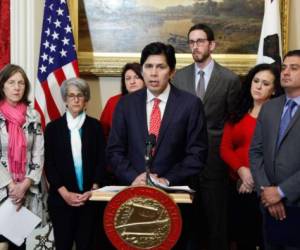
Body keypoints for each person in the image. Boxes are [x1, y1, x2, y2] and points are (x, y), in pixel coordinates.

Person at [107, 42, 208, 248]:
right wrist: (134, 177)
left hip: (175, 202)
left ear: (171, 71)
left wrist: (166, 180)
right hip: (134, 200)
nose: (154, 73)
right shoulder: (125, 105)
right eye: (149, 66)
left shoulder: (190, 104)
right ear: (142, 69)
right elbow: (114, 151)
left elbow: (197, 154)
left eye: (160, 67)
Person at [172, 23, 240, 250]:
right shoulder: (178, 79)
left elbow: (233, 123)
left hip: (215, 162)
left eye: (200, 41)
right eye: (191, 42)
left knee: (216, 223)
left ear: (212, 44)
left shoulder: (229, 79)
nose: (195, 46)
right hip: (184, 163)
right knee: (187, 223)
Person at [220, 63, 281, 250]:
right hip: (239, 185)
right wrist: (242, 171)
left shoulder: (279, 115)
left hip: (266, 187)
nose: (258, 86)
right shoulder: (238, 112)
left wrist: (254, 177)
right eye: (256, 81)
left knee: (265, 239)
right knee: (242, 238)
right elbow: (225, 148)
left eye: (265, 83)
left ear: (274, 90)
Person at [44, 78, 106, 250]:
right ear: (65, 99)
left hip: (90, 199)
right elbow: (49, 164)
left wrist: (93, 188)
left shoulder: (96, 127)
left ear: (86, 99)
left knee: (87, 245)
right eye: (71, 96)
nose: (76, 99)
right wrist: (65, 193)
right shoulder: (53, 128)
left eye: (80, 95)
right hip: (61, 201)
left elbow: (102, 160)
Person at [250, 50, 300, 250]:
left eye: (294, 68)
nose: (286, 72)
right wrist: (267, 192)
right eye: (284, 67)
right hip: (269, 206)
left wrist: (281, 191)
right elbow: (256, 152)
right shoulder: (270, 107)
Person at [0, 64, 44, 250]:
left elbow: (38, 154)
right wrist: (11, 185)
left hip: (28, 191)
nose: (17, 87)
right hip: (3, 191)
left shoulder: (33, 115)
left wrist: (25, 184)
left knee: (24, 244)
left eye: (21, 83)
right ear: (2, 86)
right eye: (11, 82)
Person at [100, 62, 144, 139]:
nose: (132, 82)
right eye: (128, 78)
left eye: (137, 77)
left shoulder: (153, 101)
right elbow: (103, 132)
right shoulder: (113, 102)